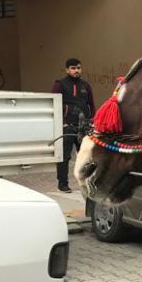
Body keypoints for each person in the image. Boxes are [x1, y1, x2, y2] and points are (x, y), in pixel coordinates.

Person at [52, 57, 94, 192]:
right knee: (64, 156)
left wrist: (91, 121)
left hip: (83, 127)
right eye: (73, 68)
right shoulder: (60, 84)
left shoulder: (85, 86)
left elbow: (91, 105)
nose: (76, 70)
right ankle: (63, 184)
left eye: (78, 68)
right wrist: (63, 123)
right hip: (67, 126)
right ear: (67, 69)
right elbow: (55, 105)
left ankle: (87, 184)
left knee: (87, 157)